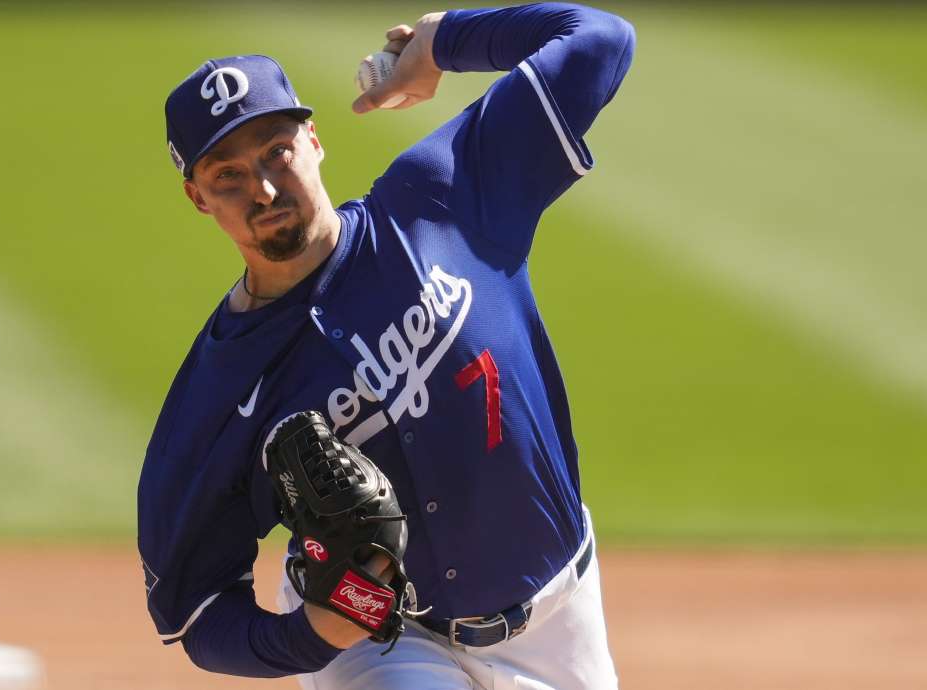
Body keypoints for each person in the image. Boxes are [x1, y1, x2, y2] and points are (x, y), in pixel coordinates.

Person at [138, 3, 636, 688]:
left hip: (563, 619)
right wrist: (310, 635)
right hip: (388, 641)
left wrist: (444, 43)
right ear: (198, 196)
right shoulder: (220, 392)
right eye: (228, 174)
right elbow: (195, 612)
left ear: (313, 140)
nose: (263, 188)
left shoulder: (441, 199)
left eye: (276, 151)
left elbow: (599, 41)